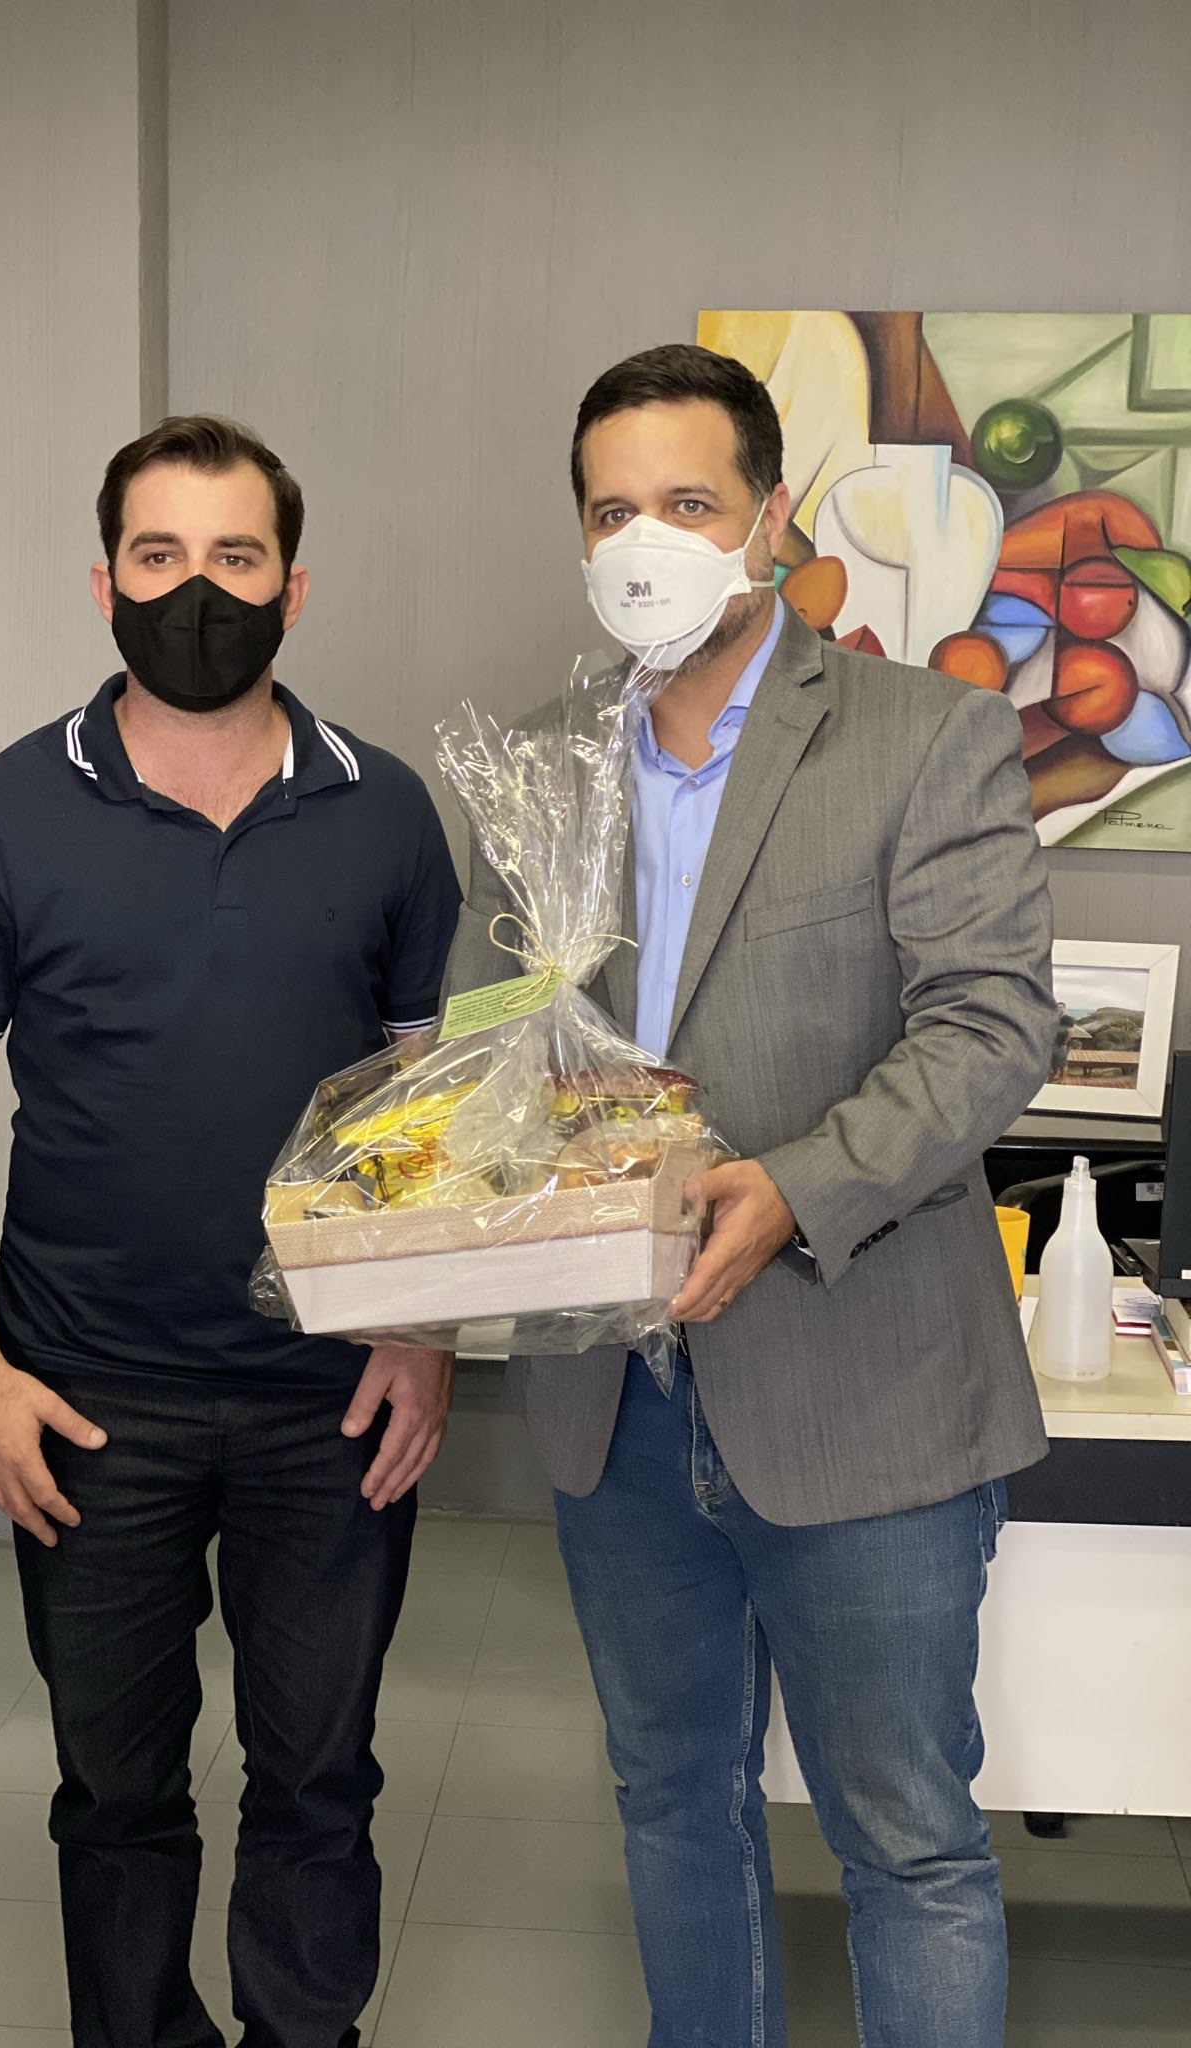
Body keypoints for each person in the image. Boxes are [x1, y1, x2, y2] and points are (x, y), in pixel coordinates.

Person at [443, 343, 1055, 2048]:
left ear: (772, 519)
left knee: (907, 1843)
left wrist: (790, 1188)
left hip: (864, 1388)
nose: (646, 542)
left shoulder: (925, 738)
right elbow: (491, 1044)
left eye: (688, 503)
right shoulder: (541, 772)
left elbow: (993, 1024)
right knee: (672, 1804)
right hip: (618, 1405)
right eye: (611, 512)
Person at [0, 414, 461, 2048]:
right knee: (115, 1790)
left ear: (292, 588)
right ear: (104, 583)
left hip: (328, 1395)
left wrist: (423, 1330)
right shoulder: (6, 809)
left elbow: (437, 1103)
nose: (194, 590)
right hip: (84, 1400)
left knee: (319, 1777)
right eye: (159, 555)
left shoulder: (385, 810)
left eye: (233, 556)